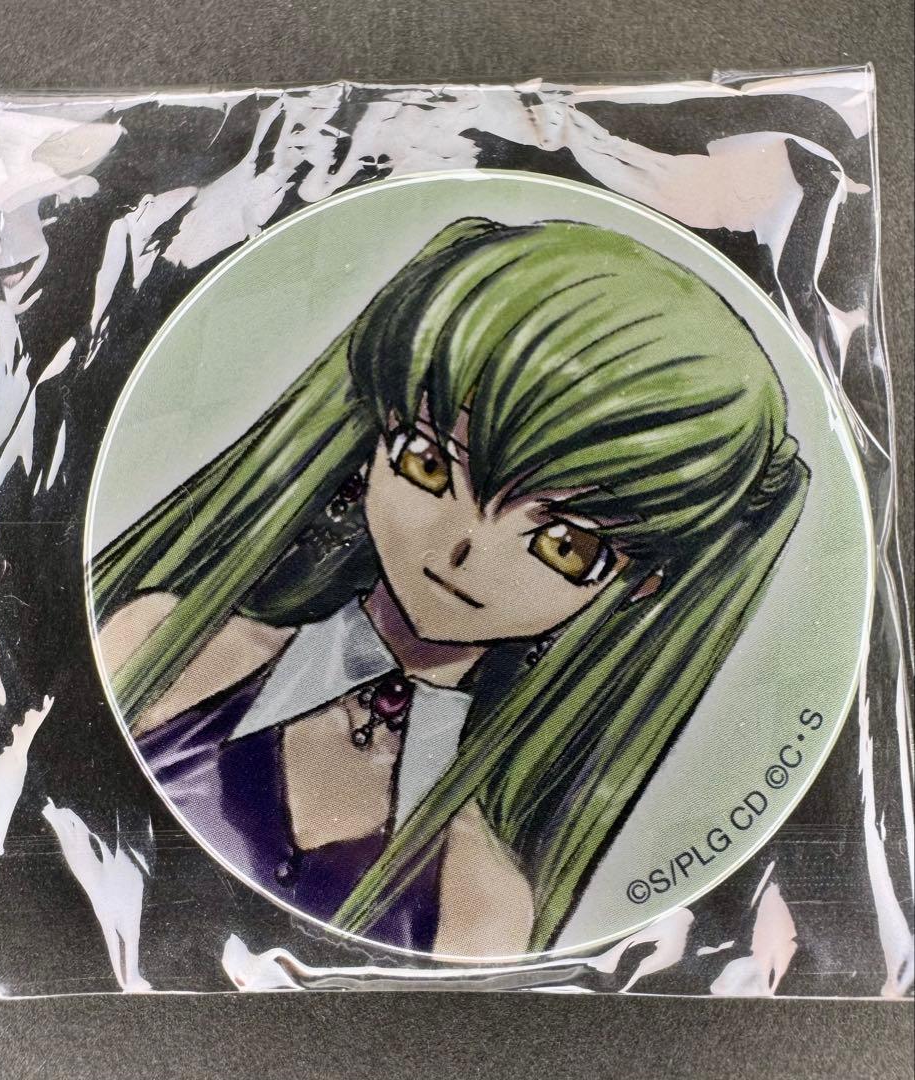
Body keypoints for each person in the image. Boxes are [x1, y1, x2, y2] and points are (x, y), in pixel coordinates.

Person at [91, 217, 808, 958]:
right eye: (430, 465)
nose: (468, 548)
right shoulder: (166, 649)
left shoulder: (482, 897)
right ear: (374, 440)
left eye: (564, 545)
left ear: (634, 585)